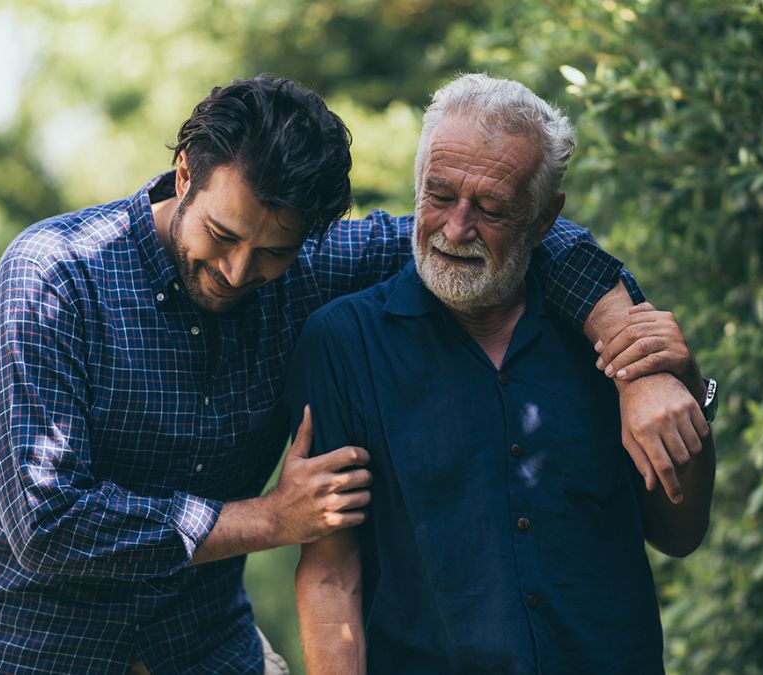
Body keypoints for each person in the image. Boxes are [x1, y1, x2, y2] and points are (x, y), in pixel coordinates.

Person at [0, 75, 705, 673]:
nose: (240, 272)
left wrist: (635, 357)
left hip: (205, 651)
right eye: (222, 234)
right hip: (39, 649)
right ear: (185, 173)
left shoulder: (311, 266)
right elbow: (46, 521)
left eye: (271, 251)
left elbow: (519, 237)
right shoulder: (53, 276)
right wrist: (271, 517)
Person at [287, 74, 716, 674]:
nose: (456, 230)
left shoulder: (610, 334)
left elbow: (679, 533)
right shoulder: (344, 342)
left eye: (491, 209)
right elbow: (333, 572)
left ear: (544, 220)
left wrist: (687, 388)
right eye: (438, 197)